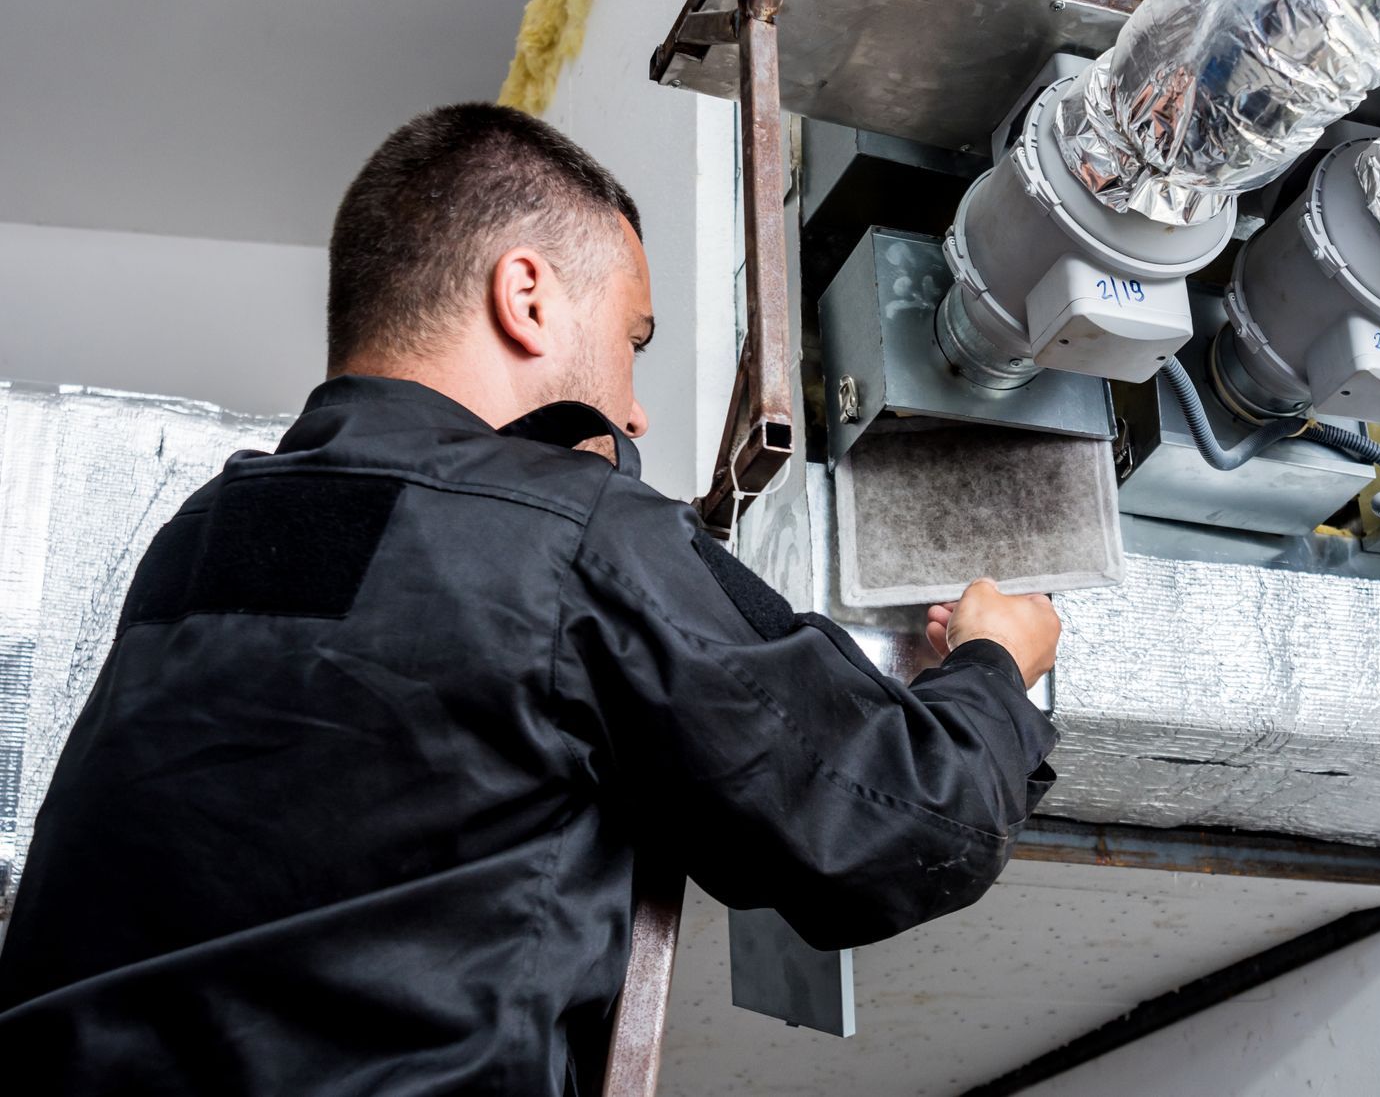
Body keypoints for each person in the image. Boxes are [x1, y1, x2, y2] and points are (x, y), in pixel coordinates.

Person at [0, 103, 1062, 1094]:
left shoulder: (197, 540)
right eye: (632, 340)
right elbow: (902, 819)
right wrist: (995, 667)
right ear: (528, 296)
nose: (637, 413)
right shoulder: (561, 527)